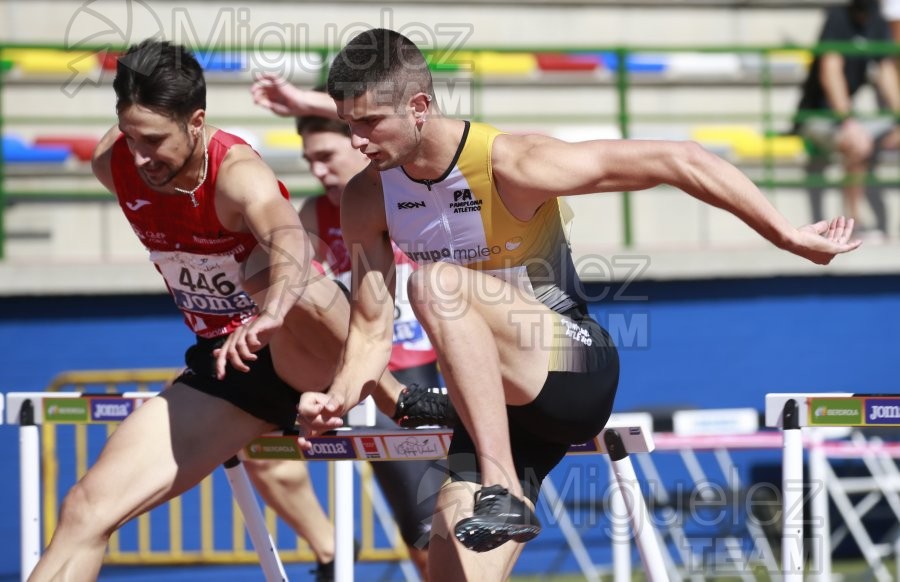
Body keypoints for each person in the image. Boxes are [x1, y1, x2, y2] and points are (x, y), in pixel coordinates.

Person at [293, 28, 863, 581]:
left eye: (369, 122)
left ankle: (502, 488)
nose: (358, 143)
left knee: (435, 284)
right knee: (448, 571)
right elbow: (370, 331)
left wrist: (785, 234)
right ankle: (500, 485)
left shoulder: (511, 163)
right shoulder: (369, 195)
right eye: (349, 125)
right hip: (497, 407)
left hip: (572, 364)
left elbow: (680, 159)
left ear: (419, 105)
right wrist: (338, 397)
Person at [26, 38, 449, 582]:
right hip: (229, 366)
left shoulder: (236, 172)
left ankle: (396, 395)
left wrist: (270, 311)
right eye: (130, 137)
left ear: (196, 122)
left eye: (154, 141)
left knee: (289, 281)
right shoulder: (115, 163)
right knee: (85, 509)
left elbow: (289, 240)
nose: (139, 156)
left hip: (305, 347)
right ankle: (327, 547)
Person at [242, 92, 452, 580]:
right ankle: (330, 547)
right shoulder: (313, 215)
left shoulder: (402, 192)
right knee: (254, 449)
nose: (317, 171)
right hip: (338, 370)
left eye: (326, 157)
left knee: (426, 537)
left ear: (359, 145)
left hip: (406, 371)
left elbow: (431, 122)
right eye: (309, 160)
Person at [792, 0, 900, 238]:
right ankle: (853, 226)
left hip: (847, 117)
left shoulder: (876, 21)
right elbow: (831, 73)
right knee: (857, 143)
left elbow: (885, 72)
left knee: (863, 137)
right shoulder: (838, 18)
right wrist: (848, 120)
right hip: (816, 116)